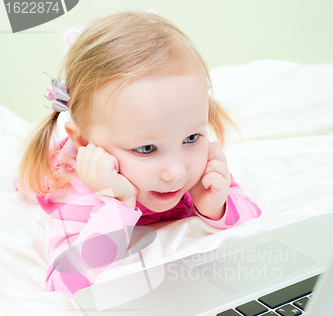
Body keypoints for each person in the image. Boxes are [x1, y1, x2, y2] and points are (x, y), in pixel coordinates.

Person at [17, 11, 261, 298]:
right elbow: (63, 284)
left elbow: (250, 213)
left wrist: (216, 208)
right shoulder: (80, 196)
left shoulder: (199, 169)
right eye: (146, 149)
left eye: (191, 137)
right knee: (35, 182)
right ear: (85, 142)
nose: (177, 172)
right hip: (66, 173)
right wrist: (116, 207)